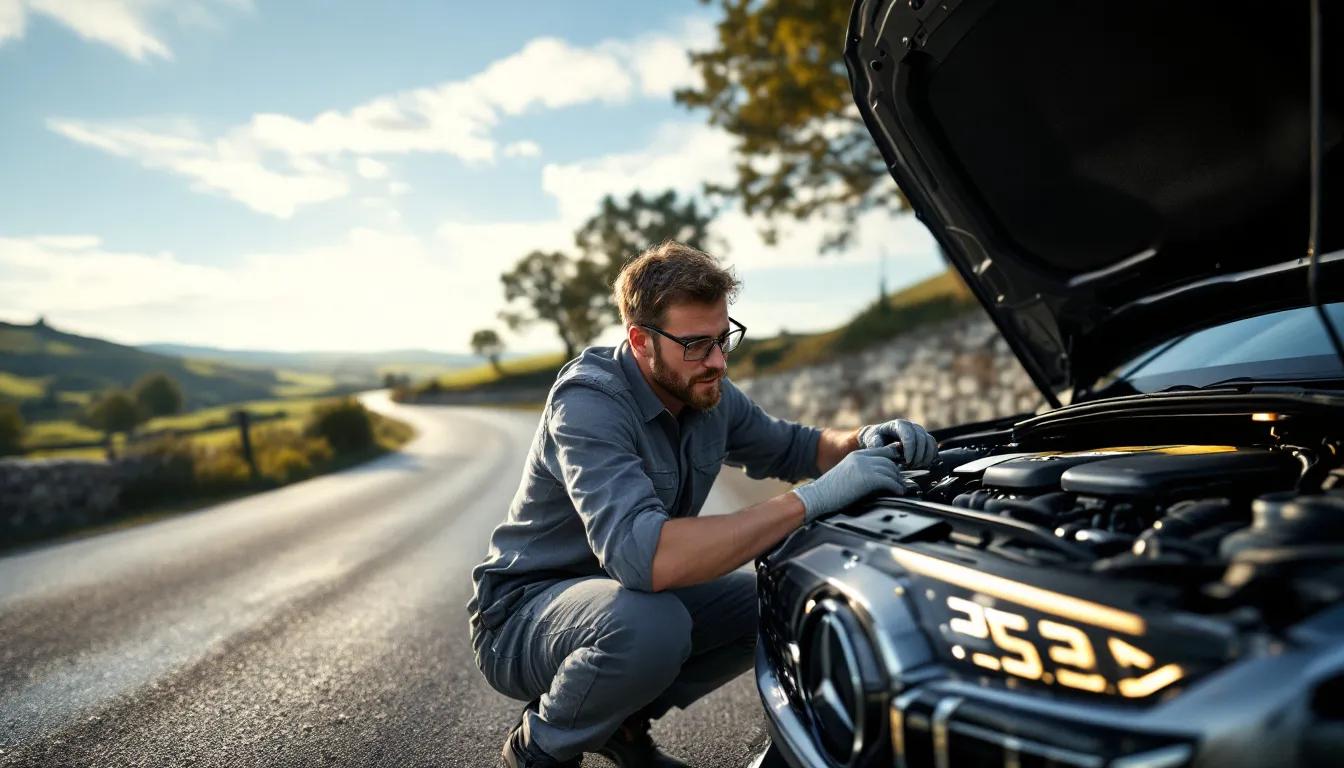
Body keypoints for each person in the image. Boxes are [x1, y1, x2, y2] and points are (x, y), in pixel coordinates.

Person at [467, 241, 939, 768]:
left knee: (780, 601)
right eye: (696, 345)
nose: (716, 360)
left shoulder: (704, 387)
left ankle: (620, 724)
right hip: (520, 615)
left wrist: (867, 439)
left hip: (618, 599)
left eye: (722, 338)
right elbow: (645, 560)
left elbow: (797, 446)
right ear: (641, 341)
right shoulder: (587, 402)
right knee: (651, 625)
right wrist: (810, 500)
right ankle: (539, 749)